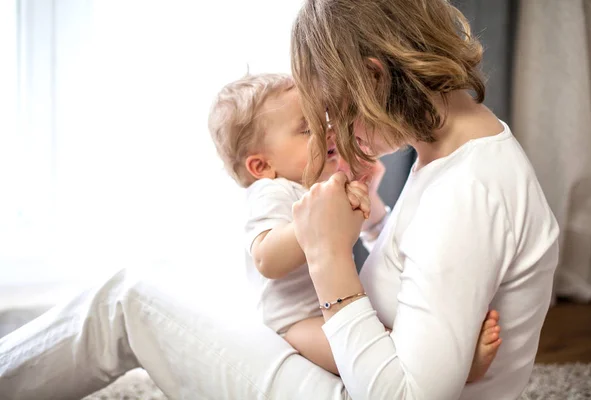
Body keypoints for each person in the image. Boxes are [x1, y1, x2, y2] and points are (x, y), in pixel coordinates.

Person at [0, 0, 558, 399]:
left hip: (351, 383)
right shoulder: (454, 154)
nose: (332, 131)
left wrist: (328, 256)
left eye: (333, 107)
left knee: (129, 299)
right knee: (162, 287)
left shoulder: (465, 194)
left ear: (373, 76)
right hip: (350, 362)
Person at [207, 72, 501, 377]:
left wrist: (365, 197)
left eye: (324, 121)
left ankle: (449, 359)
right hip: (295, 322)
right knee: (370, 357)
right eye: (308, 129)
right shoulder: (271, 191)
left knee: (399, 331)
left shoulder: (319, 183)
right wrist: (316, 220)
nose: (329, 132)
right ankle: (459, 371)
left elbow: (372, 231)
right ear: (262, 166)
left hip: (333, 305)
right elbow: (266, 259)